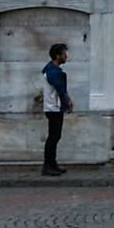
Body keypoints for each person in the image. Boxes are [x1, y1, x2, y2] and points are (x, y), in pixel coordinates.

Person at [42, 43, 73, 176]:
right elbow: (60, 89)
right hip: (53, 107)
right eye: (64, 54)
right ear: (57, 55)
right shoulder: (53, 72)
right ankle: (48, 166)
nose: (66, 56)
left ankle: (52, 164)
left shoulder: (51, 70)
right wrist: (67, 102)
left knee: (55, 136)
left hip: (53, 107)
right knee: (53, 137)